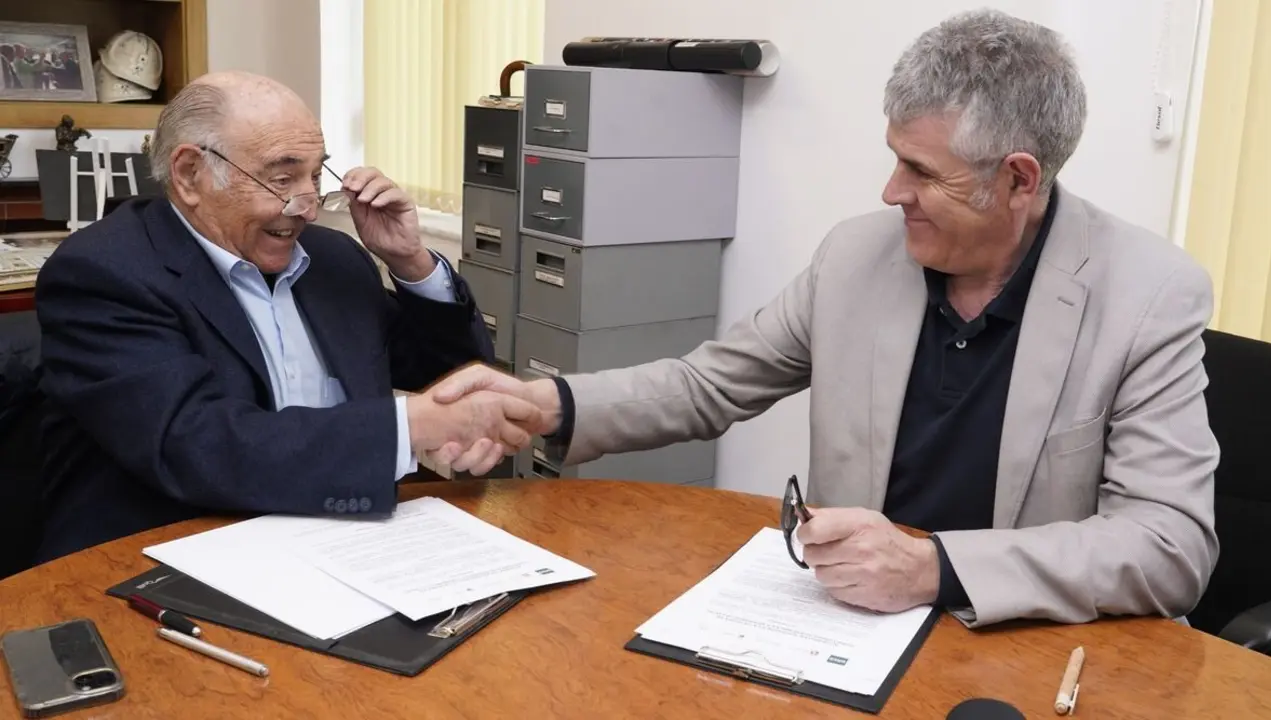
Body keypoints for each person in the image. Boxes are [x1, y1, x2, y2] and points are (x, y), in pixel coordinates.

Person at [429, 9, 1220, 628]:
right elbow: (710, 384)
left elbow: (1169, 546)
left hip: (1029, 646)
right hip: (848, 630)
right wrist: (552, 404)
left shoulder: (1148, 294)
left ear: (1018, 179)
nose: (890, 192)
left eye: (921, 171)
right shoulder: (858, 258)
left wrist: (933, 568)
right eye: (894, 156)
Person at [34, 71, 540, 563]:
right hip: (170, 552)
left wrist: (412, 263)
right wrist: (411, 428)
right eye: (282, 178)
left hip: (345, 536)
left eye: (317, 176)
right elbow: (197, 444)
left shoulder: (334, 258)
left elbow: (455, 375)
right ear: (190, 174)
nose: (309, 207)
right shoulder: (104, 272)